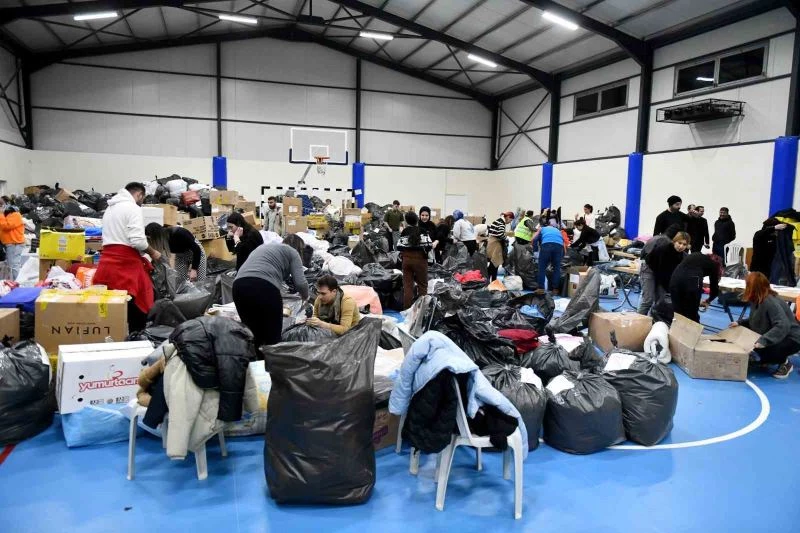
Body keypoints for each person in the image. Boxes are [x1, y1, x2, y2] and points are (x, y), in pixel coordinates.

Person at [94, 182, 159, 332]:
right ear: (139, 195)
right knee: (137, 307)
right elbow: (138, 241)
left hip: (106, 265)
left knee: (112, 309)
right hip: (125, 266)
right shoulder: (133, 208)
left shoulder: (109, 209)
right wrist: (153, 252)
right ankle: (136, 338)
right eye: (142, 199)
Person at [233, 237, 309, 347]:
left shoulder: (264, 248)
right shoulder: (293, 252)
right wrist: (305, 297)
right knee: (273, 338)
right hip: (264, 287)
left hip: (239, 287)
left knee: (252, 335)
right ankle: (271, 357)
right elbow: (300, 283)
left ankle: (254, 357)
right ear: (299, 248)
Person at [732, 272, 800, 379]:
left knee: (766, 352)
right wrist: (740, 323)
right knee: (757, 349)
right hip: (781, 334)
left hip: (792, 338)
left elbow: (783, 325)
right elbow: (757, 319)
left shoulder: (769, 301)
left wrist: (764, 340)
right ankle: (768, 359)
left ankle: (785, 363)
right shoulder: (758, 299)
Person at [638, 224, 682, 315]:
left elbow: (642, 254)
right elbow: (657, 263)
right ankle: (641, 321)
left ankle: (645, 319)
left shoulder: (656, 237)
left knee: (649, 300)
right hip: (650, 269)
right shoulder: (666, 242)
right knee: (649, 300)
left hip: (648, 268)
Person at [669, 252, 720, 323]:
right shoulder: (714, 265)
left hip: (675, 278)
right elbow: (714, 289)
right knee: (692, 313)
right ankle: (692, 329)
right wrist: (708, 301)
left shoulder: (696, 256)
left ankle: (678, 329)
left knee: (678, 313)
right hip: (692, 280)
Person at [397, 211, 433, 310]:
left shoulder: (404, 232)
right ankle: (422, 310)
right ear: (417, 219)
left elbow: (399, 246)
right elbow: (429, 245)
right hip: (420, 260)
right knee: (422, 285)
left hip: (407, 260)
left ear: (406, 221)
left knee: (408, 286)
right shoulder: (423, 231)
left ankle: (407, 310)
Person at [646, 231, 690, 300]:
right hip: (648, 269)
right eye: (679, 243)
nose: (681, 246)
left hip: (661, 273)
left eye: (684, 244)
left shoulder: (683, 256)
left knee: (661, 299)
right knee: (648, 299)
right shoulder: (664, 249)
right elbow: (661, 270)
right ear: (674, 241)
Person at [533, 220, 565, 295]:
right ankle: (555, 289)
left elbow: (535, 239)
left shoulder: (542, 229)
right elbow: (563, 243)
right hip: (559, 247)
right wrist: (562, 255)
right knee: (556, 268)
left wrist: (535, 251)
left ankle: (541, 288)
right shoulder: (557, 230)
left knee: (542, 267)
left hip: (546, 245)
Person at [0, 197, 26, 280]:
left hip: (14, 243)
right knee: (10, 265)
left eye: (1, 205)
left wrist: (1, 215)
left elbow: (6, 226)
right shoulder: (6, 215)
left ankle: (15, 282)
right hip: (9, 243)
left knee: (13, 265)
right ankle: (12, 281)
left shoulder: (15, 215)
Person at [487, 211, 514, 281]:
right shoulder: (501, 222)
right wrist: (506, 239)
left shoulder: (497, 221)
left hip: (492, 243)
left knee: (493, 264)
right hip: (495, 244)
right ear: (508, 217)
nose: (509, 222)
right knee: (494, 264)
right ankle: (492, 281)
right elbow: (500, 234)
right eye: (510, 220)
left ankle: (491, 280)